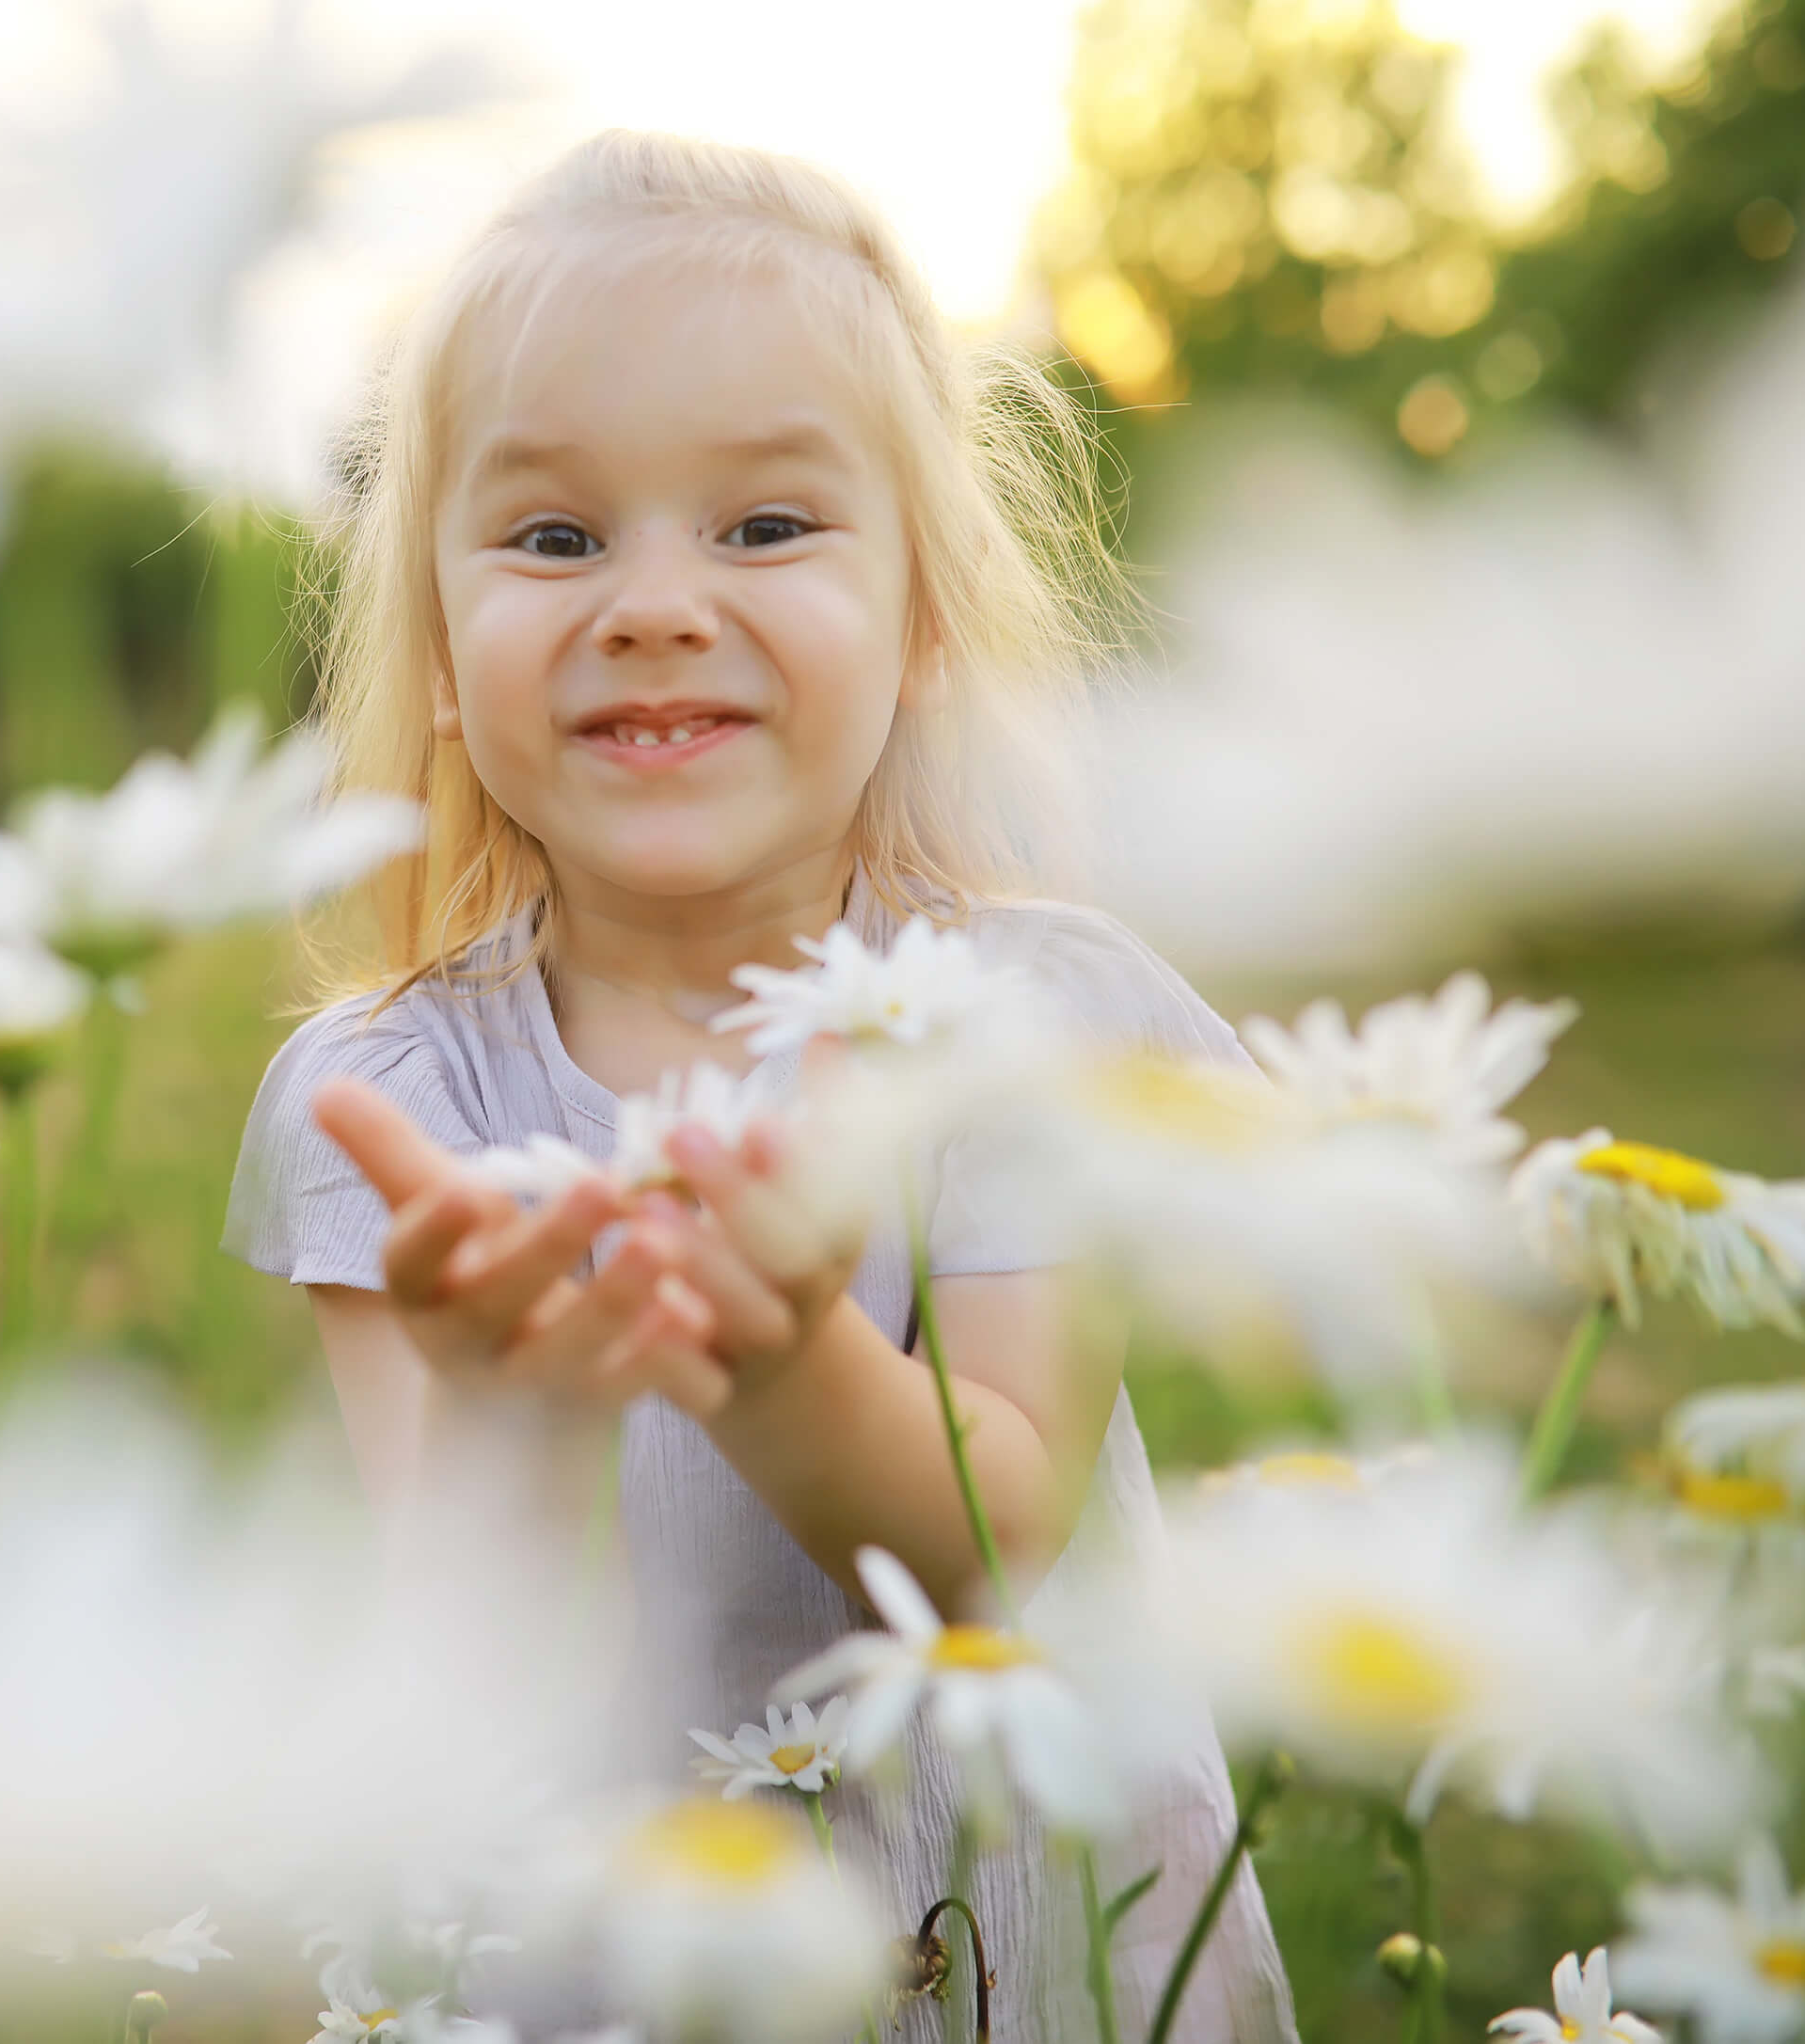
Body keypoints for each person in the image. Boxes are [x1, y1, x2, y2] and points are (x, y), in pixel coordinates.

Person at [224, 130, 1297, 2043]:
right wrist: (511, 1405)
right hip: (626, 1968)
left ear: (921, 629)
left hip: (1003, 1947)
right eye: (553, 537)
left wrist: (789, 1346)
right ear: (446, 655)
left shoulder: (1011, 1027)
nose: (650, 602)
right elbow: (467, 1672)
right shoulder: (388, 1100)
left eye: (763, 526)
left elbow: (998, 1553)